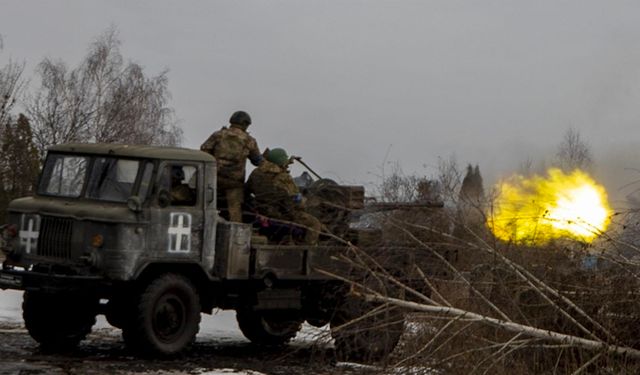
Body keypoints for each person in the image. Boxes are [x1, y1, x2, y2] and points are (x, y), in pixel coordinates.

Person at [246, 148, 321, 245]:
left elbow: (247, 190)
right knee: (314, 224)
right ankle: (308, 251)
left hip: (261, 212)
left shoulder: (256, 173)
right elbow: (296, 200)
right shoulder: (283, 177)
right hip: (281, 214)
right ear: (281, 161)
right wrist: (304, 203)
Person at [201, 110, 263, 221]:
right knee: (235, 211)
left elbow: (204, 152)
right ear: (245, 124)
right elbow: (257, 161)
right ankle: (235, 233)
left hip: (213, 178)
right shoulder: (249, 140)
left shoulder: (218, 135)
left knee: (204, 205)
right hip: (234, 182)